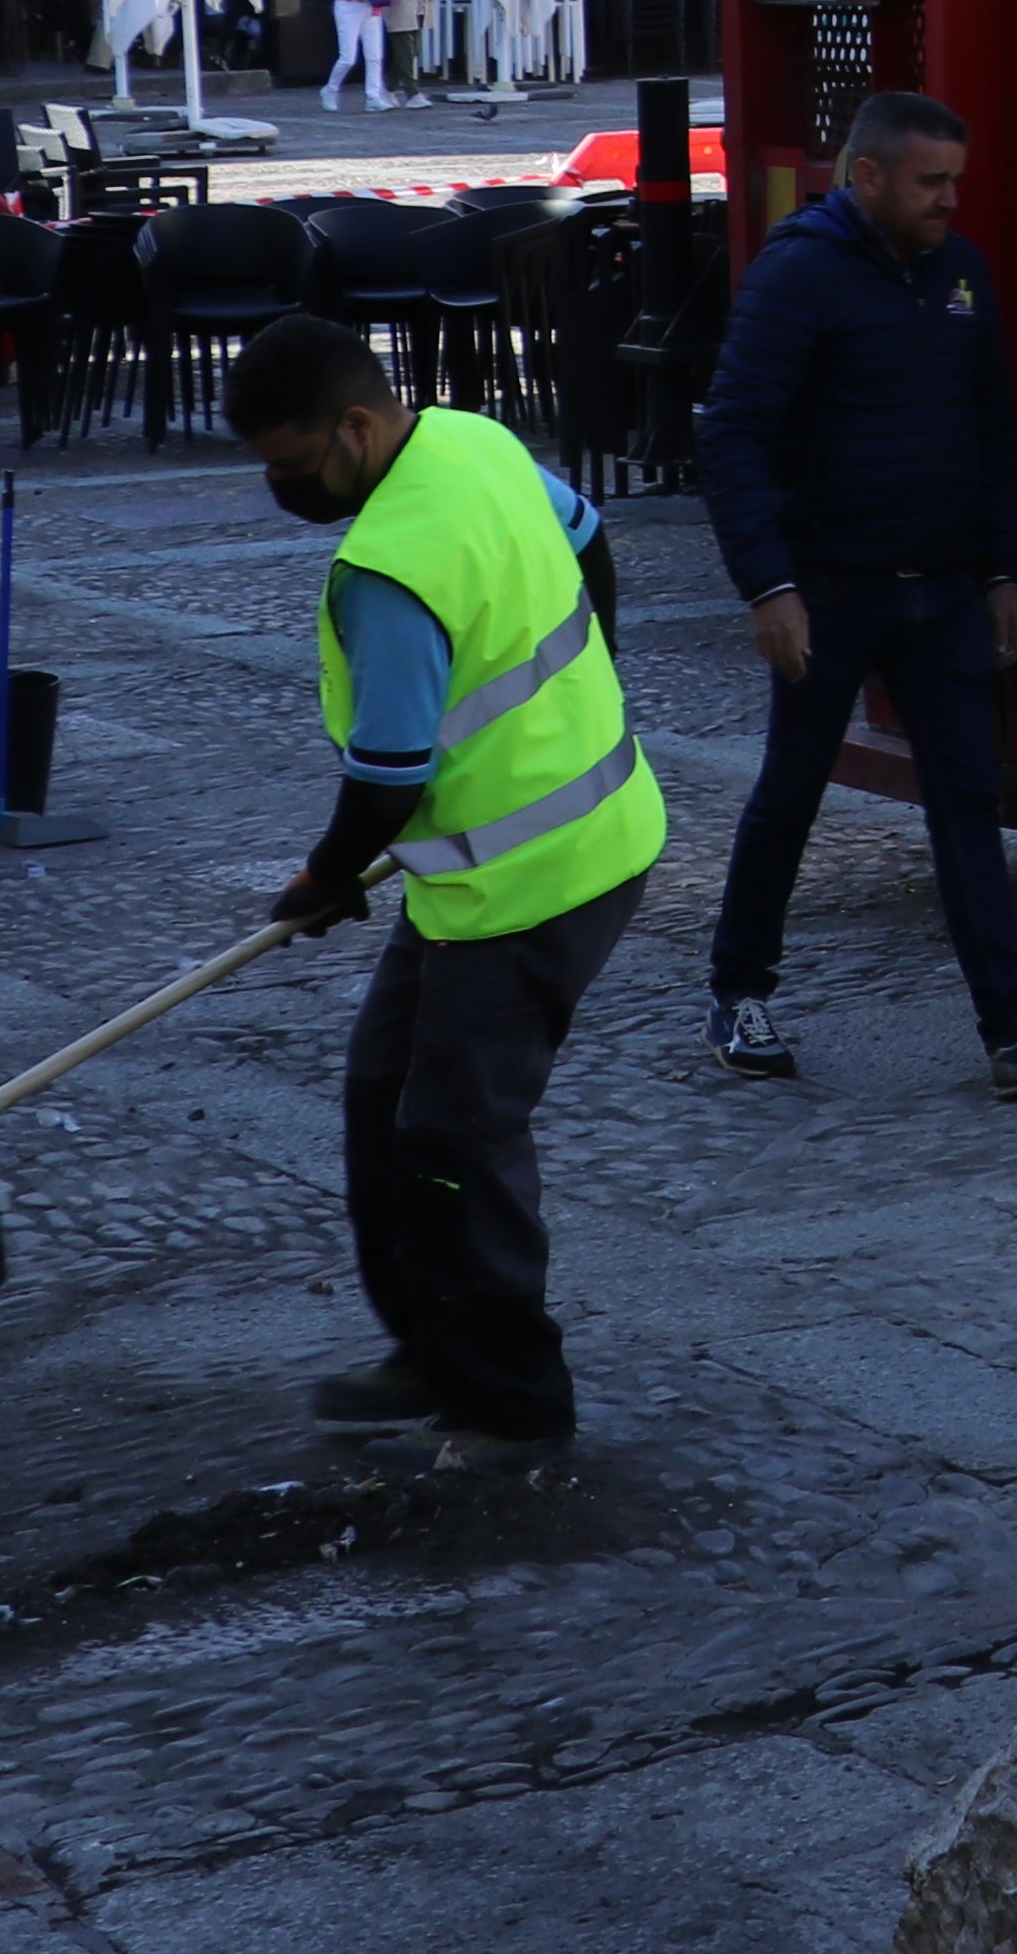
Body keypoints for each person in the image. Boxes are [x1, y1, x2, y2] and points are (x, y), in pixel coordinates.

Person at [229, 311, 664, 1443]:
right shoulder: (472, 436)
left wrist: (324, 874)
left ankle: (512, 1398)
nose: (279, 485)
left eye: (289, 462)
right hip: (514, 860)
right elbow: (591, 538)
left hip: (533, 880)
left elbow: (386, 775)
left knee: (455, 1137)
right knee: (384, 1093)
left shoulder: (388, 571)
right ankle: (429, 1347)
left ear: (358, 427)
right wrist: (593, 690)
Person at [695, 89, 1017, 1099]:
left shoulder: (961, 275)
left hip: (940, 591)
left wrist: (1000, 570)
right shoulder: (798, 275)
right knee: (791, 791)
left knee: (968, 802)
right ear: (868, 177)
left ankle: (1016, 1030)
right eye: (932, 182)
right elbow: (731, 435)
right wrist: (770, 585)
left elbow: (991, 434)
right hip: (831, 589)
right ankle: (740, 992)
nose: (950, 200)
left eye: (956, 181)